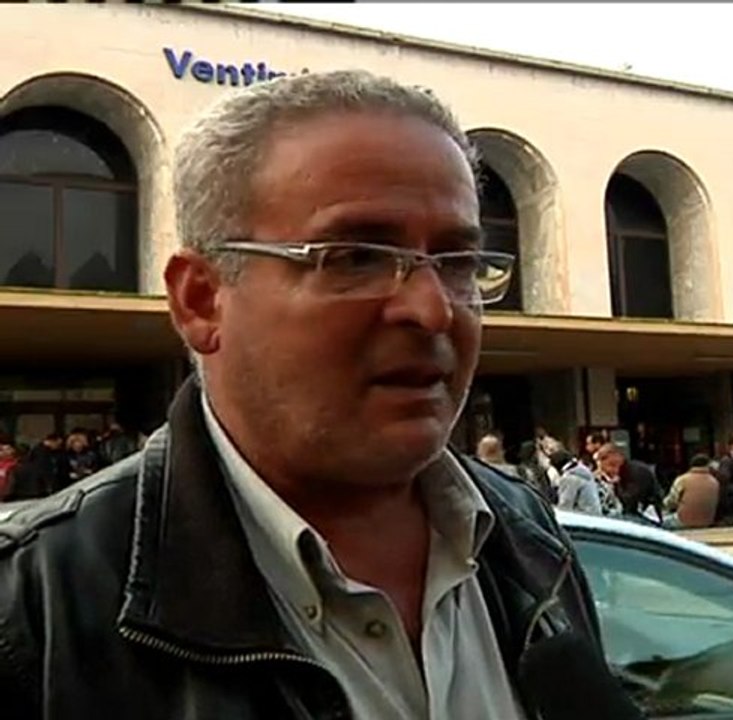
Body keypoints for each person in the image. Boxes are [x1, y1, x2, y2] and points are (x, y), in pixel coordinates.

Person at [0, 70, 603, 719]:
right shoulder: (34, 608)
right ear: (201, 299)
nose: (432, 311)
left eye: (457, 262)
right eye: (356, 257)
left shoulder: (527, 536)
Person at [595, 443, 661, 521]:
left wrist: (615, 485)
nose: (609, 471)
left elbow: (631, 502)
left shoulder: (636, 472)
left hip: (646, 515)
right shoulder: (623, 473)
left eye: (611, 465)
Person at [661, 454, 720, 530]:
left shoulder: (683, 479)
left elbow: (671, 501)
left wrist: (663, 505)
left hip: (684, 521)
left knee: (659, 521)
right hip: (706, 522)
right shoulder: (715, 482)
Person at [551, 448, 602, 515]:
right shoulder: (585, 473)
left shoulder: (570, 478)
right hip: (594, 516)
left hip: (581, 517)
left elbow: (565, 507)